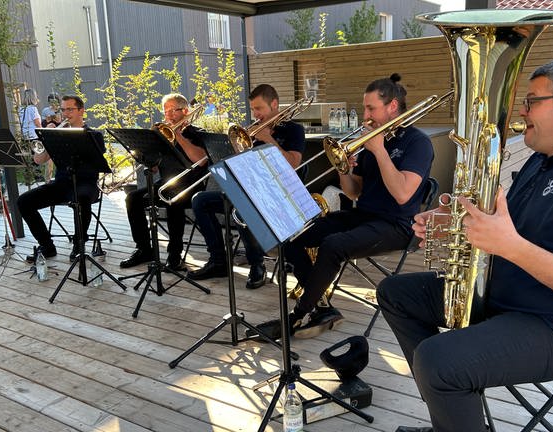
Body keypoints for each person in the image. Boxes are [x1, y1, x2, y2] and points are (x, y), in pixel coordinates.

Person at [376, 59, 553, 432]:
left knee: (438, 361)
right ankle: (453, 412)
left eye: (532, 101)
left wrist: (509, 246)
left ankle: (451, 394)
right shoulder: (543, 159)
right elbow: (521, 229)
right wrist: (459, 224)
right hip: (515, 296)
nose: (522, 111)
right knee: (397, 293)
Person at [250, 73, 434, 339]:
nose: (365, 114)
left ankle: (299, 314)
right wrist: (344, 168)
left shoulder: (417, 142)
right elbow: (353, 192)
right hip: (363, 215)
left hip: (397, 224)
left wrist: (380, 151)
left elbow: (403, 195)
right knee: (292, 235)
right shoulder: (371, 141)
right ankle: (321, 307)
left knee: (334, 245)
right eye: (365, 107)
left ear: (392, 106)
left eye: (371, 108)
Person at [187, 84, 306, 289]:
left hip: (277, 195)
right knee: (200, 200)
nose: (255, 114)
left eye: (259, 108)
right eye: (252, 109)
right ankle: (218, 260)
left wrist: (268, 139)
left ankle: (256, 265)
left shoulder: (294, 129)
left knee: (241, 209)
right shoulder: (251, 131)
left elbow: (293, 164)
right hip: (250, 189)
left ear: (274, 104)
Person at [119, 93, 208, 271]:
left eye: (172, 111)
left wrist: (179, 137)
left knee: (172, 200)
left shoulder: (197, 133)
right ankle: (144, 249)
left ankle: (174, 254)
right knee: (133, 199)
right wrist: (145, 155)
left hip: (192, 185)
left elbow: (202, 160)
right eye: (165, 111)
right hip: (167, 183)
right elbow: (153, 169)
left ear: (185, 111)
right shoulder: (163, 136)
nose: (168, 116)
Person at [17, 95, 105, 262]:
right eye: (63, 110)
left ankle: (79, 244)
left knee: (82, 199)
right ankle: (47, 246)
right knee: (24, 201)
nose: (65, 113)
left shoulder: (94, 135)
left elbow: (97, 162)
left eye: (69, 109)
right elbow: (38, 160)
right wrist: (47, 137)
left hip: (86, 184)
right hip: (62, 184)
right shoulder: (57, 134)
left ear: (81, 111)